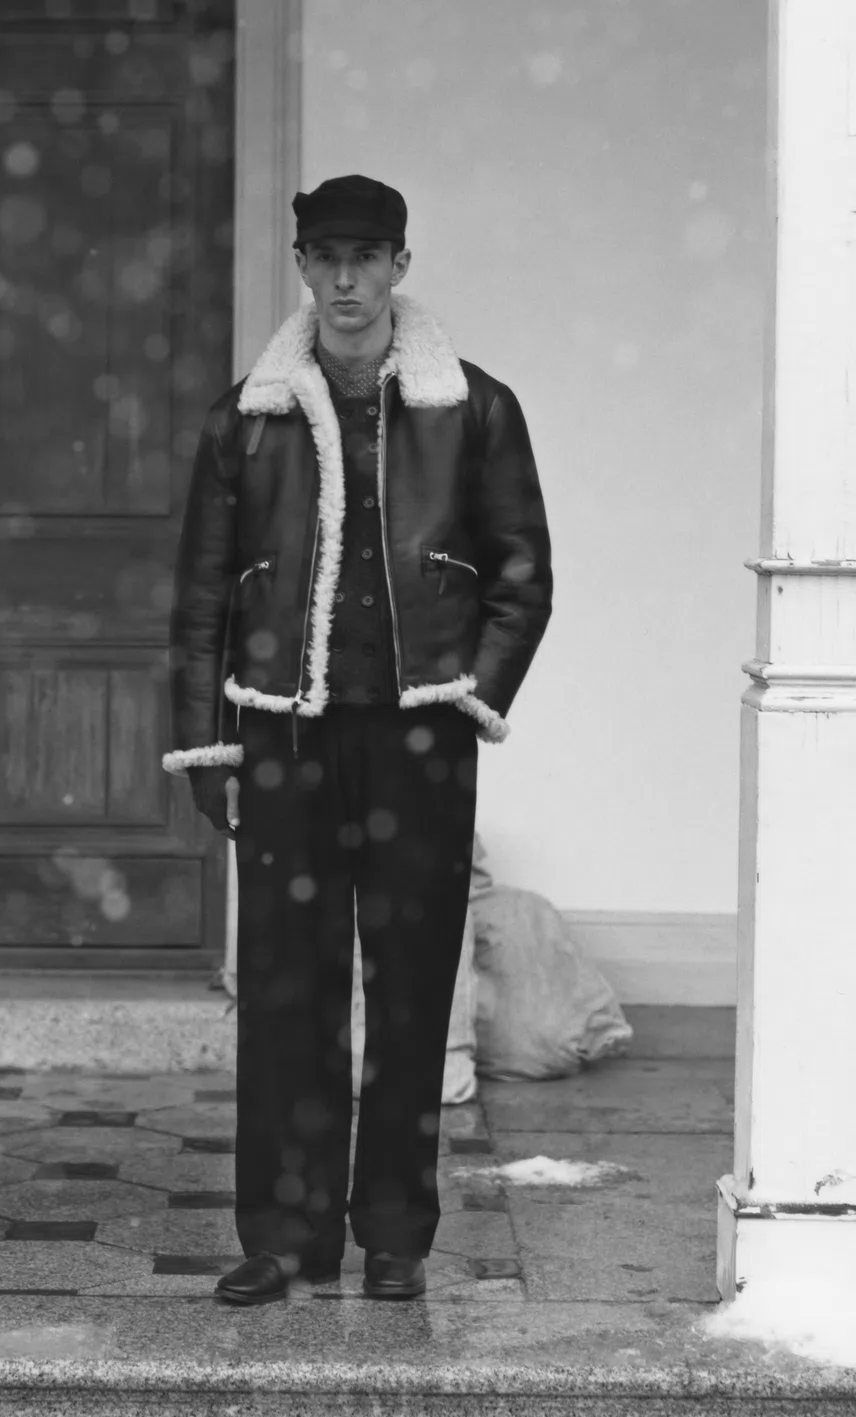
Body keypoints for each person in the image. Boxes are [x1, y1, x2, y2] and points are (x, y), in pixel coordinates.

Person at [163, 174, 552, 1306]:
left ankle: (394, 1231)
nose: (345, 281)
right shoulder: (247, 416)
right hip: (283, 740)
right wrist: (209, 746)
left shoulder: (472, 408)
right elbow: (201, 598)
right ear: (301, 267)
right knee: (287, 991)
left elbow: (523, 576)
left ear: (399, 266)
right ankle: (284, 1236)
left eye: (366, 257)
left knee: (412, 988)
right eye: (326, 258)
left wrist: (469, 697)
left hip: (420, 740)